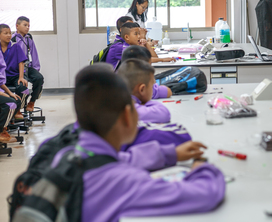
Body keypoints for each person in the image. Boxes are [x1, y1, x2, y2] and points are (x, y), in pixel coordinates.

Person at [57, 65, 225, 220]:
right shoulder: (126, 183)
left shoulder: (65, 155)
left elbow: (121, 159)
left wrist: (170, 154)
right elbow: (205, 194)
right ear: (127, 117)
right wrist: (202, 169)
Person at [117, 59, 192, 151]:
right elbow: (164, 114)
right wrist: (146, 100)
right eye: (153, 85)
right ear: (142, 90)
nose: (154, 88)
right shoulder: (130, 108)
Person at [11, 16, 44, 112]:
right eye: (25, 25)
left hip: (27, 67)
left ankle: (32, 101)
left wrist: (35, 68)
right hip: (17, 69)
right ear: (17, 26)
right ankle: (19, 107)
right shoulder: (13, 40)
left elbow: (34, 53)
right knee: (22, 84)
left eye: (28, 26)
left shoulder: (28, 38)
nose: (27, 28)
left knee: (39, 78)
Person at [0, 24, 29, 119]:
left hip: (14, 75)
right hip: (2, 78)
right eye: (6, 33)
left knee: (23, 88)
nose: (9, 35)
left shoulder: (15, 46)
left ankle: (17, 111)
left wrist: (21, 77)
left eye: (10, 33)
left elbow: (21, 63)